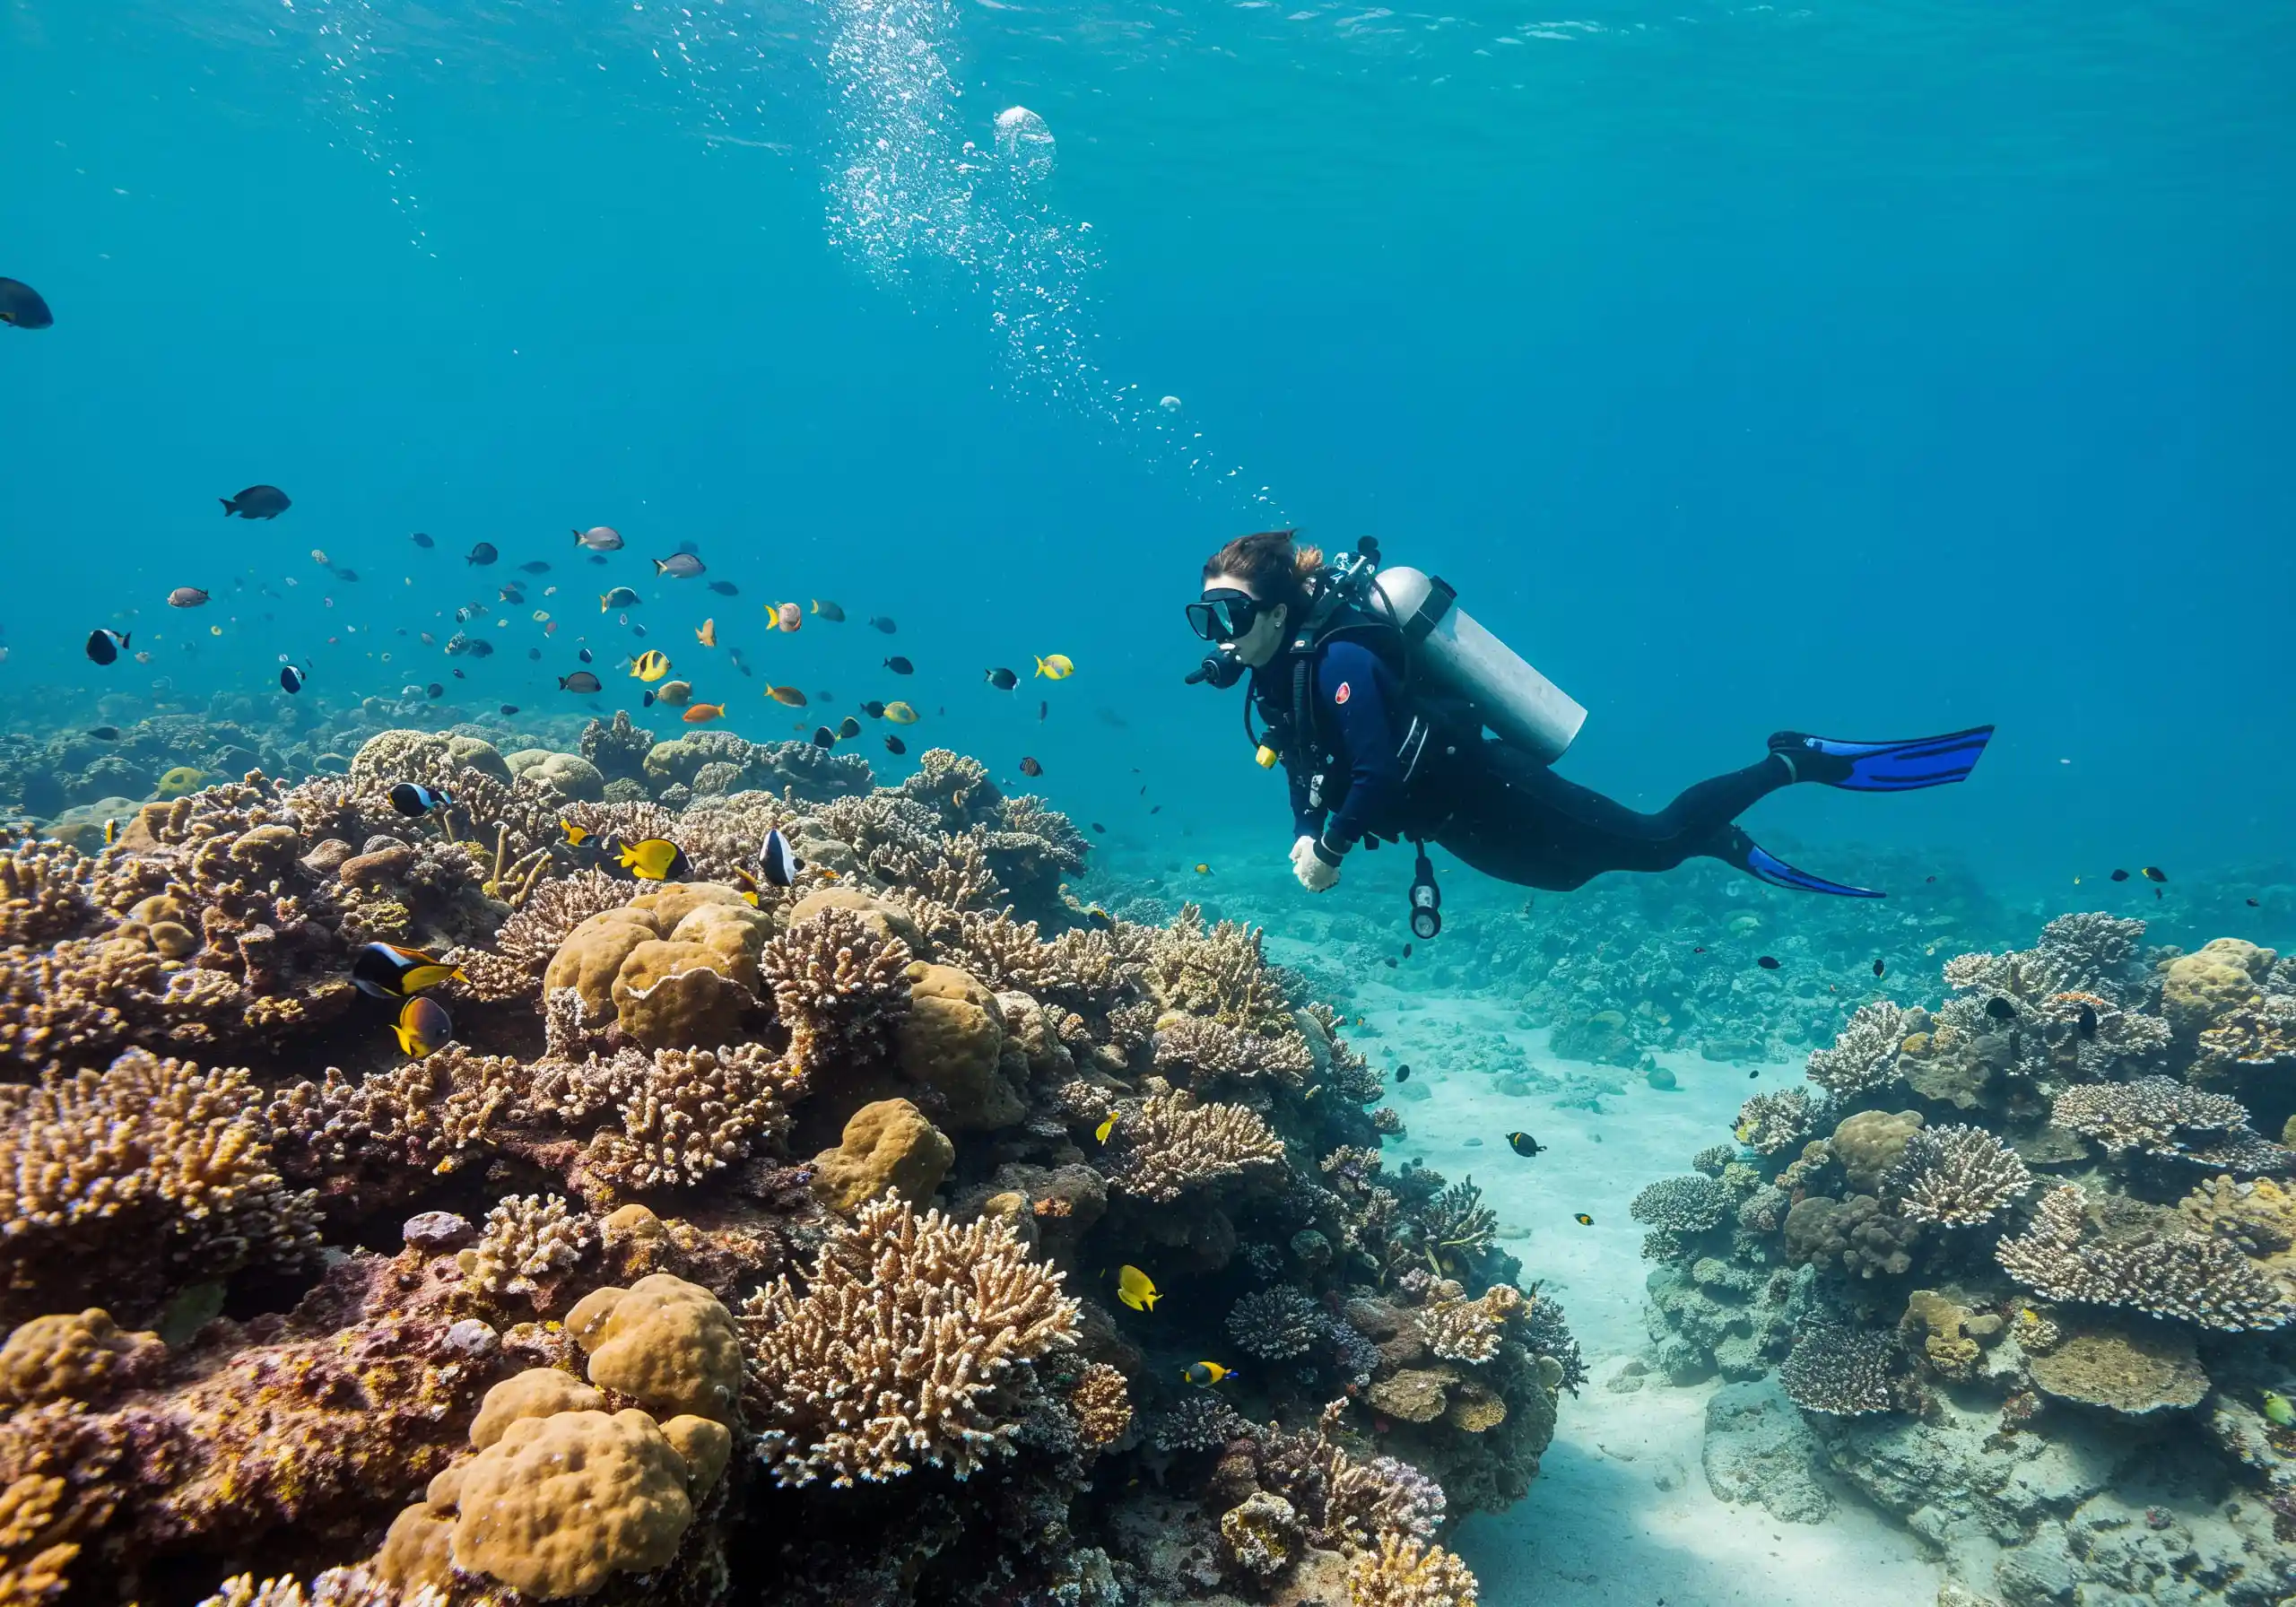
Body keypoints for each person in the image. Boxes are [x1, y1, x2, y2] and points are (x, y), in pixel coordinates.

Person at [1187, 530, 1992, 902]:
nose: (1220, 638)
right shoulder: (1275, 674)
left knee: (1655, 843)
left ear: (1281, 608)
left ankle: (1795, 760)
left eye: (1231, 615)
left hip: (1489, 787)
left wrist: (1328, 848)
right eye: (1206, 619)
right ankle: (1708, 835)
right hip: (1452, 820)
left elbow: (1375, 770)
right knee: (1566, 876)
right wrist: (1303, 826)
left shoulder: (1339, 662)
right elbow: (1305, 762)